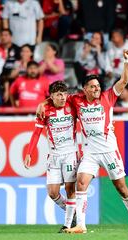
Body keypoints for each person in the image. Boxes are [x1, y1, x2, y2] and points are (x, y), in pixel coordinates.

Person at [37, 49, 128, 233]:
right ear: (84, 89)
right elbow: (57, 97)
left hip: (109, 150)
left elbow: (124, 81)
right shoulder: (76, 100)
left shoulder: (108, 96)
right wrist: (42, 104)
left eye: (98, 86)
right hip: (90, 152)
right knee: (81, 183)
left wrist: (127, 61)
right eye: (92, 86)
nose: (97, 89)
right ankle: (81, 225)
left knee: (121, 188)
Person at [24, 81, 77, 233]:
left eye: (64, 94)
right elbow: (36, 133)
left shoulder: (72, 105)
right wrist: (29, 153)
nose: (62, 97)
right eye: (59, 95)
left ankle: (68, 225)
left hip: (70, 154)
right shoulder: (45, 110)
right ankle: (72, 212)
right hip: (53, 155)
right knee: (53, 192)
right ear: (52, 96)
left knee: (69, 189)